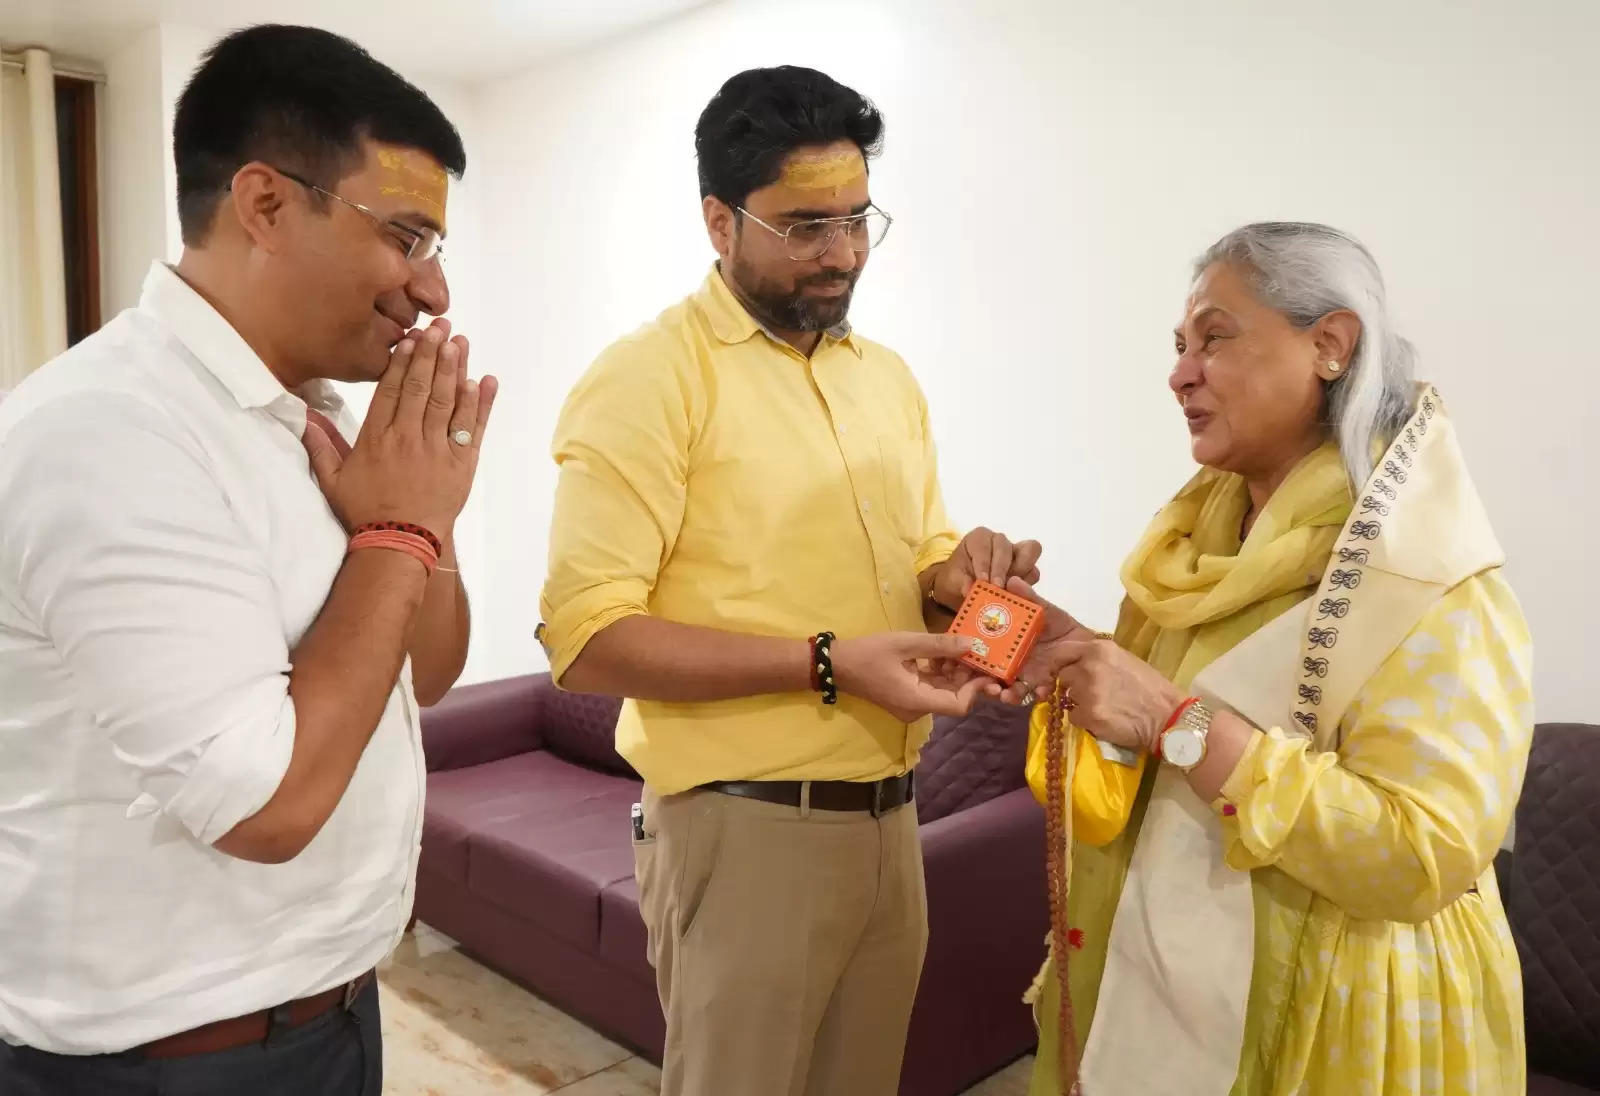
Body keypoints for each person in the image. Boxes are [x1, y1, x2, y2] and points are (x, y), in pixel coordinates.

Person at [0, 24, 496, 1096]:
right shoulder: (107, 431)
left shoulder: (306, 418)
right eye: (406, 237)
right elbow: (263, 807)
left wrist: (422, 516)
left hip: (333, 1011)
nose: (435, 290)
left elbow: (424, 673)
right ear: (265, 205)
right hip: (170, 1060)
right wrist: (398, 531)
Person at [538, 65, 1038, 1096]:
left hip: (895, 826)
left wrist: (962, 575)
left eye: (857, 218)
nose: (844, 252)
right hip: (743, 830)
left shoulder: (884, 378)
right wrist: (826, 663)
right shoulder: (651, 377)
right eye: (805, 226)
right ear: (719, 222)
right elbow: (586, 641)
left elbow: (917, 560)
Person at [1001, 222, 1531, 1095]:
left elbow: (1422, 853)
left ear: (1328, 345)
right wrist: (1074, 651)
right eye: (1178, 346)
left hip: (1337, 1007)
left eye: (1216, 337)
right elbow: (1176, 712)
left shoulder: (1429, 580)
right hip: (1157, 972)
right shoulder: (1199, 548)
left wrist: (1175, 724)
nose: (1180, 373)